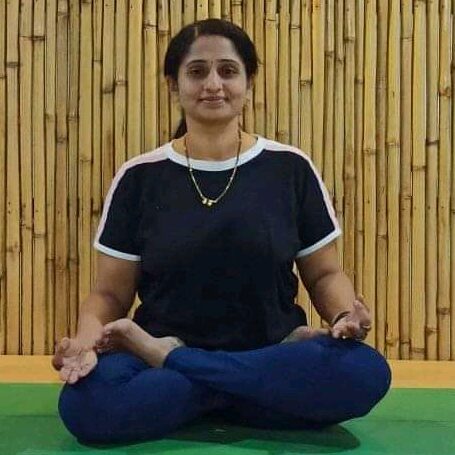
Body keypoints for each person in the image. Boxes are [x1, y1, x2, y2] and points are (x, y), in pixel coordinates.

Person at [52, 18, 391, 444]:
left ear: (249, 83)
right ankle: (242, 394)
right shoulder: (140, 176)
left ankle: (185, 374)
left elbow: (324, 274)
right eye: (197, 72)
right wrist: (84, 344)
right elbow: (108, 295)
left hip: (268, 350)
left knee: (365, 373)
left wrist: (342, 317)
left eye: (228, 71)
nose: (213, 84)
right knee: (86, 406)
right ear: (174, 85)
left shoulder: (289, 168)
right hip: (159, 354)